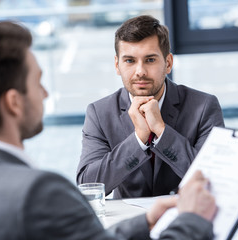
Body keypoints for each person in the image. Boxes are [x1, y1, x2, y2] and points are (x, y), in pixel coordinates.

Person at [0, 20, 217, 240]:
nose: (46, 94)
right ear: (13, 102)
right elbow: (89, 183)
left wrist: (144, 222)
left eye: (150, 59)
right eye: (38, 81)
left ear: (168, 62)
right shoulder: (41, 190)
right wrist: (193, 219)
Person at [77, 15, 224, 199]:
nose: (140, 72)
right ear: (117, 65)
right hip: (129, 223)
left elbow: (215, 180)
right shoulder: (99, 113)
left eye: (150, 60)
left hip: (185, 218)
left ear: (168, 63)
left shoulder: (204, 107)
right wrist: (138, 139)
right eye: (129, 61)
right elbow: (87, 187)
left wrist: (162, 132)